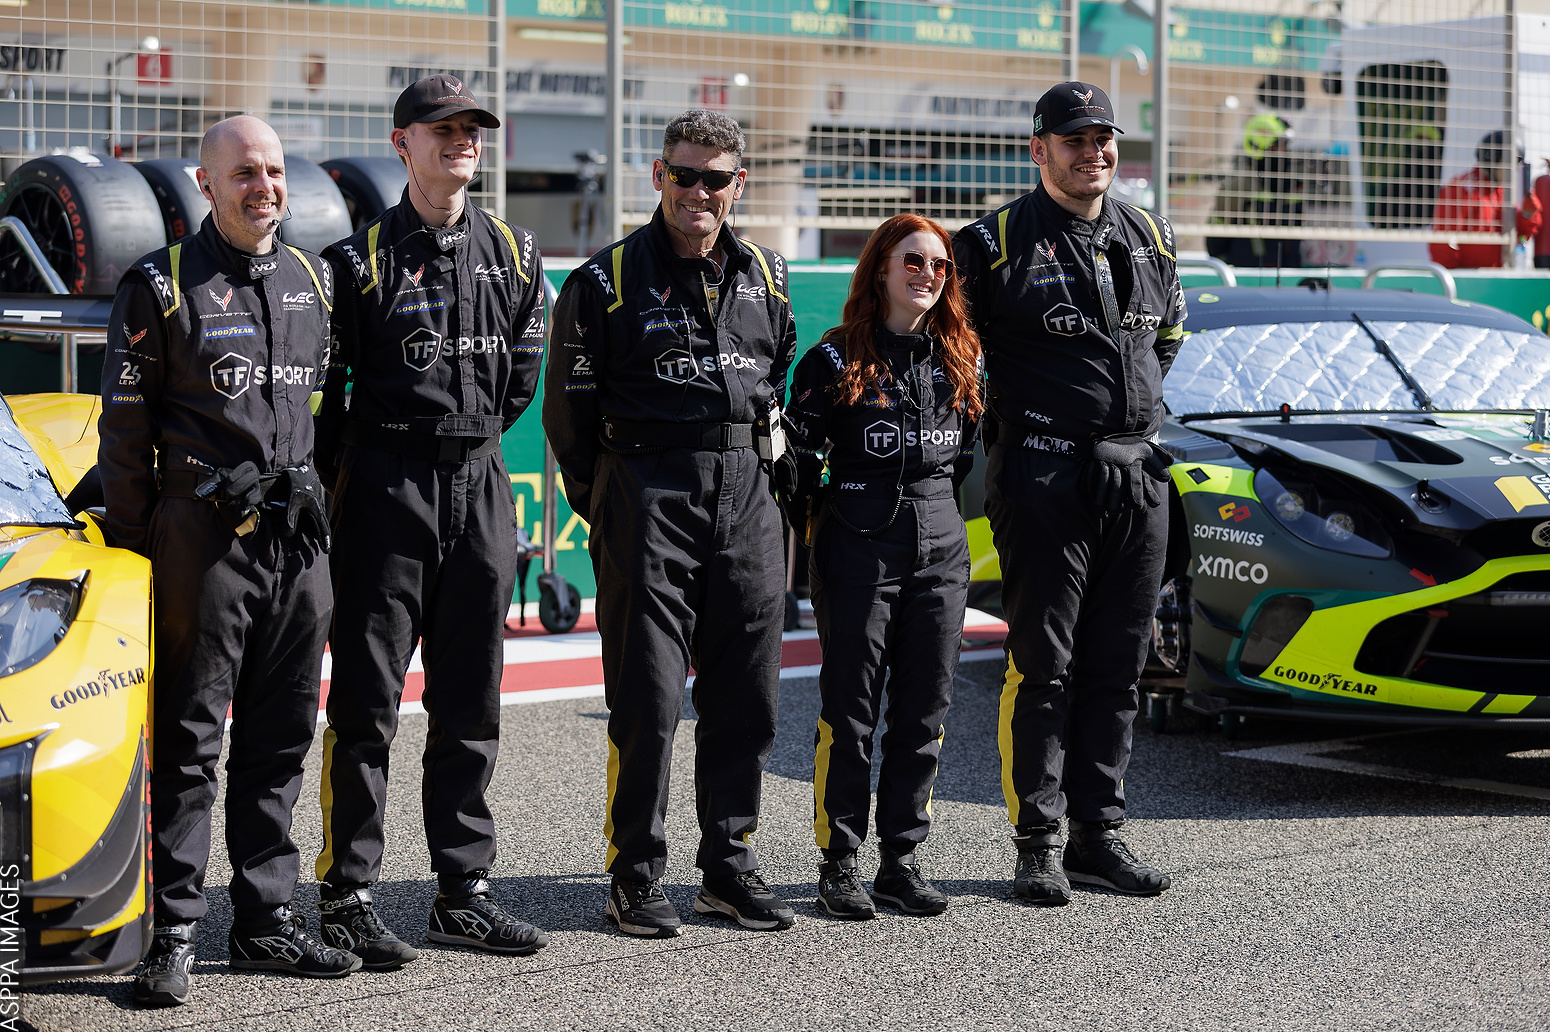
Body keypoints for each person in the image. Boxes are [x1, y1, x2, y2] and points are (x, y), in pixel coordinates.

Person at [100, 115, 357, 1007]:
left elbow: (331, 414)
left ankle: (264, 922)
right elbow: (124, 437)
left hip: (299, 542)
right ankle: (171, 931)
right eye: (244, 172)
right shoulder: (159, 284)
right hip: (200, 540)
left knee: (282, 736)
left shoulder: (314, 280)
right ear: (206, 185)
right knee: (189, 739)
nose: (265, 187)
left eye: (275, 171)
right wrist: (141, 550)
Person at [544, 109, 799, 938]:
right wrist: (612, 501)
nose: (698, 192)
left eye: (715, 179)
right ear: (658, 176)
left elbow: (775, 381)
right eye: (683, 175)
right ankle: (634, 874)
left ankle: (729, 867)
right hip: (646, 493)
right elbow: (569, 421)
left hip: (747, 496)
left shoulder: (768, 274)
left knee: (748, 695)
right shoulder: (604, 280)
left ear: (737, 185)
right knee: (648, 697)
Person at [312, 74, 549, 963]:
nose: (460, 140)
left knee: (470, 701)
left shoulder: (517, 253)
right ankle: (348, 895)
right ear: (401, 142)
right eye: (441, 127)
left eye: (471, 128)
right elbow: (328, 403)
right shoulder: (355, 261)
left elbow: (520, 385)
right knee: (366, 704)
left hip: (480, 481)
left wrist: (463, 445)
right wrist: (373, 469)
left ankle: (462, 893)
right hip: (386, 485)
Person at [952, 82, 1182, 906]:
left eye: (1103, 137)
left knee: (1120, 665)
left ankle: (1098, 835)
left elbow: (1166, 342)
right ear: (1039, 149)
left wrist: (1126, 429)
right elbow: (954, 361)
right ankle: (1037, 842)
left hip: (1135, 475)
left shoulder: (1149, 233)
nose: (1094, 152)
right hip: (1043, 474)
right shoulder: (988, 243)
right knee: (1044, 666)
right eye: (1075, 139)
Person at [785, 213, 980, 920]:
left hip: (941, 540)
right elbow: (797, 460)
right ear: (881, 269)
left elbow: (963, 457)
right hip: (858, 542)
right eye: (913, 261)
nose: (927, 274)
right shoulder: (833, 359)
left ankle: (902, 860)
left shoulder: (963, 356)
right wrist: (828, 526)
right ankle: (839, 863)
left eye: (939, 265)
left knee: (925, 708)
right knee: (851, 709)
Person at [1429, 129, 1542, 269]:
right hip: (1467, 276)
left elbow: (1520, 237)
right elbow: (1441, 240)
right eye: (1508, 163)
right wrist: (1454, 276)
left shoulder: (1503, 192)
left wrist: (1527, 214)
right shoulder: (1460, 189)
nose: (1514, 170)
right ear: (1490, 161)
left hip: (1496, 274)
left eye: (1515, 164)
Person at [1206, 112, 1304, 269]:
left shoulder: (1293, 186)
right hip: (1248, 276)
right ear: (1259, 146)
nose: (1284, 153)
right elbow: (1215, 243)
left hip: (1291, 275)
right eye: (1278, 146)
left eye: (1285, 146)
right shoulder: (1237, 187)